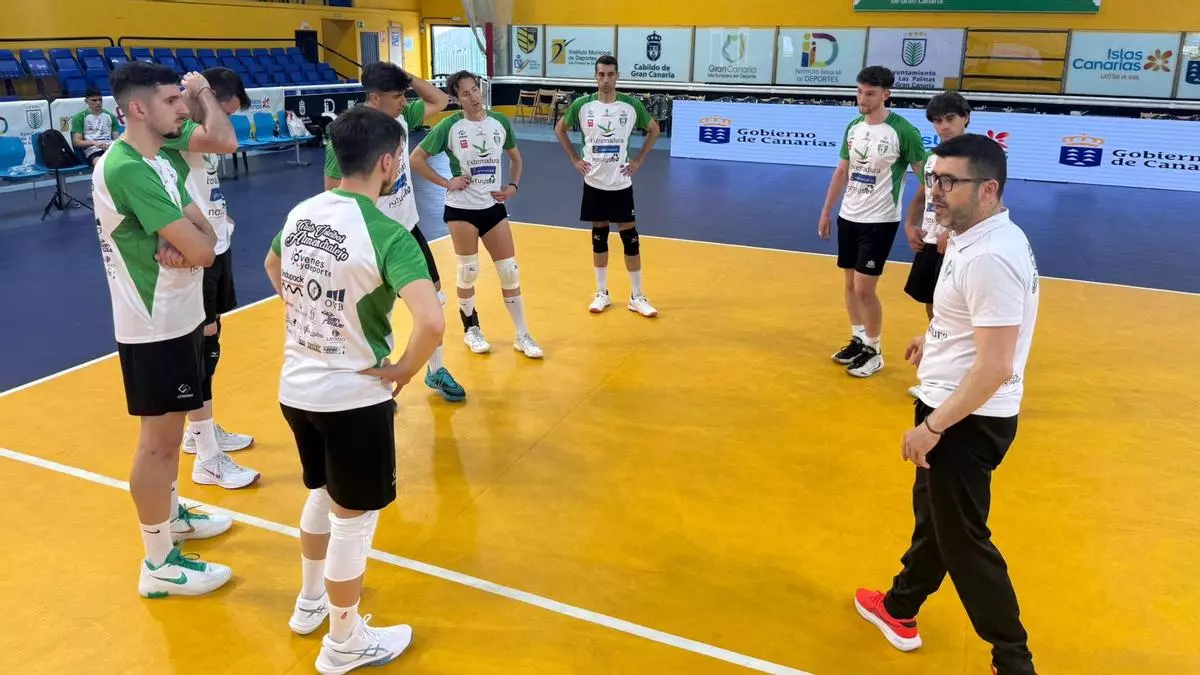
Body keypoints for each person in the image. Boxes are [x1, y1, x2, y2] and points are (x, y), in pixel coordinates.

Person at [264, 105, 443, 674]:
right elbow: (432, 322)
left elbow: (272, 264)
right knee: (354, 518)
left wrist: (309, 317)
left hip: (296, 386)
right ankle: (343, 641)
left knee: (322, 492)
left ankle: (310, 601)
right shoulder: (389, 233)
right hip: (352, 397)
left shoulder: (303, 212)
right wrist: (405, 370)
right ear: (389, 163)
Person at [854, 134, 1040, 675]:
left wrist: (933, 427)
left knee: (964, 541)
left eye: (950, 182)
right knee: (936, 518)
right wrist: (934, 336)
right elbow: (972, 323)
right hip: (957, 407)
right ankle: (900, 607)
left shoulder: (990, 257)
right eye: (933, 178)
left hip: (964, 420)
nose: (935, 191)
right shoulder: (973, 233)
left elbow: (995, 365)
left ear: (989, 189)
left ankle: (1013, 659)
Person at [93, 61, 233, 598]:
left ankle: (171, 516)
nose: (182, 108)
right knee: (157, 445)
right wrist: (192, 244)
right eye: (172, 100)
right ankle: (157, 563)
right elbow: (202, 248)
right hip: (152, 327)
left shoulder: (161, 163)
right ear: (137, 109)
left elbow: (208, 235)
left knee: (172, 441)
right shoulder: (127, 167)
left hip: (182, 314)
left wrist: (193, 243)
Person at [323, 62, 463, 402]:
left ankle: (436, 370)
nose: (404, 101)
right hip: (370, 237)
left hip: (407, 230)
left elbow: (439, 100)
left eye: (404, 94)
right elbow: (332, 192)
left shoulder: (402, 118)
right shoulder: (349, 136)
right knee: (374, 310)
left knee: (434, 300)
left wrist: (406, 77)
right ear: (374, 97)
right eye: (397, 95)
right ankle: (376, 382)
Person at [160, 66, 260, 488]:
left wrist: (220, 214)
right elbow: (226, 141)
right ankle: (206, 457)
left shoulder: (201, 128)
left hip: (216, 243)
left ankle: (200, 429)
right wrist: (200, 92)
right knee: (198, 348)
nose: (227, 120)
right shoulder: (178, 128)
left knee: (211, 339)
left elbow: (205, 176)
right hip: (193, 253)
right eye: (226, 110)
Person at [410, 70, 543, 359]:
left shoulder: (499, 122)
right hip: (461, 209)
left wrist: (513, 185)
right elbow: (416, 159)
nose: (473, 97)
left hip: (493, 207)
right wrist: (447, 182)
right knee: (468, 271)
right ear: (457, 98)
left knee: (509, 271)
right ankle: (471, 329)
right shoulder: (450, 126)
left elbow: (515, 157)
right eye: (465, 93)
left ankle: (522, 334)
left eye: (474, 89)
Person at [818, 65, 927, 378]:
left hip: (880, 220)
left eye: (870, 94)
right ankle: (859, 339)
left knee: (865, 288)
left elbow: (926, 177)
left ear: (885, 95)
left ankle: (875, 351)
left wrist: (918, 218)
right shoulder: (853, 127)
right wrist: (827, 210)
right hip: (848, 215)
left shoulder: (903, 131)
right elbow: (842, 171)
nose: (862, 99)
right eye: (859, 92)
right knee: (850, 285)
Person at [553, 54, 661, 317]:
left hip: (621, 182)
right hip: (594, 182)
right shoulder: (582, 105)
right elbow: (560, 129)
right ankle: (602, 293)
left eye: (610, 74)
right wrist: (575, 159)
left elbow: (654, 129)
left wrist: (638, 160)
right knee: (599, 238)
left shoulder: (631, 105)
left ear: (617, 76)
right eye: (601, 74)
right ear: (595, 76)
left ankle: (637, 296)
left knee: (630, 239)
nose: (605, 79)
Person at [902, 91, 972, 398]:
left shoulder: (976, 157)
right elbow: (923, 196)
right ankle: (940, 374)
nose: (943, 126)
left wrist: (953, 231)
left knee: (956, 313)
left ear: (965, 118)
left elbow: (986, 202)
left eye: (950, 119)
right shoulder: (933, 158)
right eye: (937, 120)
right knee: (933, 307)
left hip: (958, 246)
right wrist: (910, 223)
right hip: (930, 242)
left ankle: (959, 379)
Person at [70, 88, 119, 167]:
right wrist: (94, 143)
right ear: (86, 101)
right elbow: (77, 142)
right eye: (94, 100)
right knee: (102, 165)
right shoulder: (79, 117)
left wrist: (113, 145)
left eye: (100, 99)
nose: (98, 103)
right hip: (93, 151)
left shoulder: (111, 116)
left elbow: (116, 139)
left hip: (110, 149)